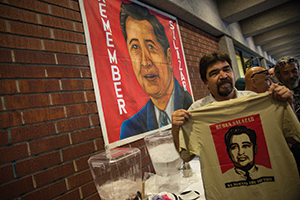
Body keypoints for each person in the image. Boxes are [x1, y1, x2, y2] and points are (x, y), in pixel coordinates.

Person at [172, 52, 294, 162]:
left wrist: (289, 104)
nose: (223, 76)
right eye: (214, 73)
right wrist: (175, 129)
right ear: (205, 82)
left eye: (227, 70)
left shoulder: (254, 100)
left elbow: (290, 139)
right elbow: (186, 157)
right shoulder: (196, 111)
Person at [119, 2, 193, 139]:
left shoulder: (192, 106)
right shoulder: (130, 129)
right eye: (135, 47)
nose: (144, 62)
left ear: (169, 58)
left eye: (151, 46)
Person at [274, 56, 300, 121]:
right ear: (279, 75)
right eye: (286, 73)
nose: (291, 76)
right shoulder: (277, 93)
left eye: (294, 71)